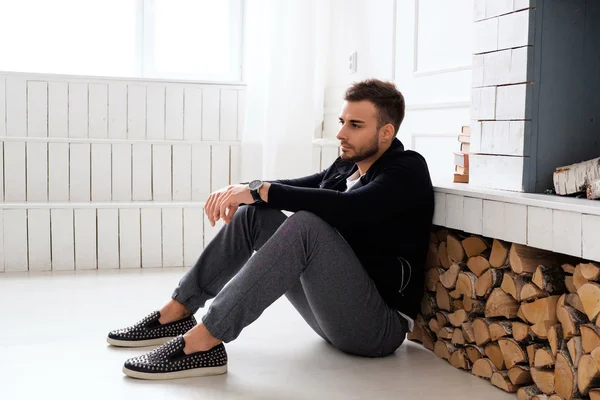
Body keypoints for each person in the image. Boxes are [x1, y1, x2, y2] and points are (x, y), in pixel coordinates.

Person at [107, 79, 434, 380]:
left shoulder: (406, 169)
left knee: (305, 224)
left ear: (386, 133)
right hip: (333, 314)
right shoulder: (347, 165)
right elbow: (300, 187)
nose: (341, 134)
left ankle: (204, 342)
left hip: (375, 327)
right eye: (342, 122)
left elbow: (350, 208)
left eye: (355, 125)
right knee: (254, 213)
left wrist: (260, 190)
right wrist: (249, 188)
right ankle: (177, 311)